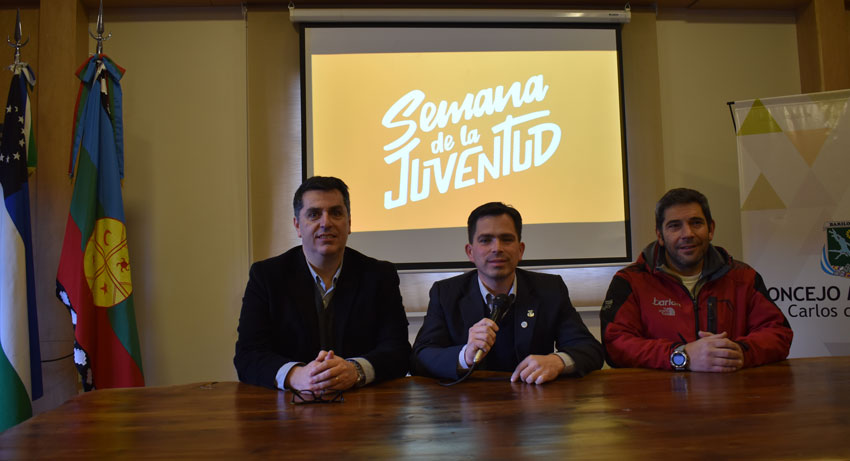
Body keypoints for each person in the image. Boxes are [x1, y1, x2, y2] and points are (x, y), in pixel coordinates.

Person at [234, 176, 411, 391]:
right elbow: (248, 355)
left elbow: (398, 351)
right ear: (298, 226)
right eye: (314, 214)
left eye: (336, 213)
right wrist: (295, 375)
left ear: (349, 223)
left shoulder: (379, 275)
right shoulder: (266, 276)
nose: (326, 223)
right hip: (288, 405)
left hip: (361, 401)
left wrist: (356, 370)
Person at [600, 188, 793, 372]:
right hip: (658, 393)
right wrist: (681, 355)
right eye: (675, 226)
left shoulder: (743, 277)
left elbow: (778, 333)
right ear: (660, 235)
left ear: (711, 229)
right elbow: (616, 345)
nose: (688, 234)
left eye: (696, 223)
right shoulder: (630, 281)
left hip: (732, 390)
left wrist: (740, 352)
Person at [411, 202, 604, 384]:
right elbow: (419, 358)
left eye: (506, 239)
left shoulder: (550, 289)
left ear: (520, 250)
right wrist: (464, 356)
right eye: (485, 240)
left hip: (535, 400)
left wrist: (558, 361)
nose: (497, 248)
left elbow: (590, 349)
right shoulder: (446, 293)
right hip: (467, 403)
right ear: (470, 252)